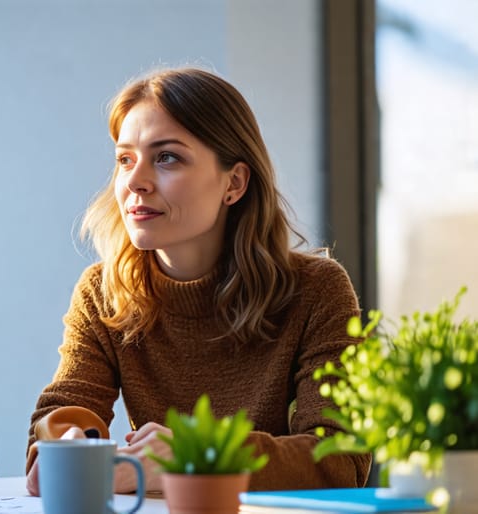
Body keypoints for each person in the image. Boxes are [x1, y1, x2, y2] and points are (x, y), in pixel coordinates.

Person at [25, 67, 371, 495]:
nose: (134, 181)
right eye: (124, 159)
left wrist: (199, 455)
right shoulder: (103, 292)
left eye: (167, 157)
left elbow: (340, 460)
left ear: (235, 183)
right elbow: (64, 412)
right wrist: (65, 445)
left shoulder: (317, 290)